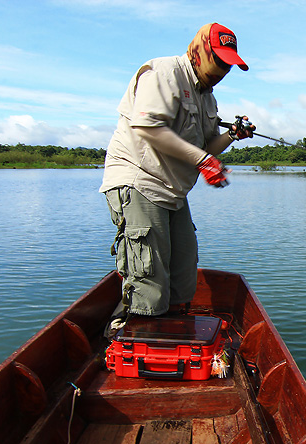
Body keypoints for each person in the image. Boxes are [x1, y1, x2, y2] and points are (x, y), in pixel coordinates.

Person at [99, 23, 255, 326]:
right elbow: (148, 127)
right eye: (219, 60)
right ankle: (133, 335)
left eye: (229, 65)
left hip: (173, 191)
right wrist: (204, 161)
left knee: (184, 274)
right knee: (149, 282)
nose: (223, 70)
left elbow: (207, 146)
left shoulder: (207, 97)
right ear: (200, 50)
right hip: (139, 181)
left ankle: (172, 332)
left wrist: (233, 135)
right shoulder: (164, 73)